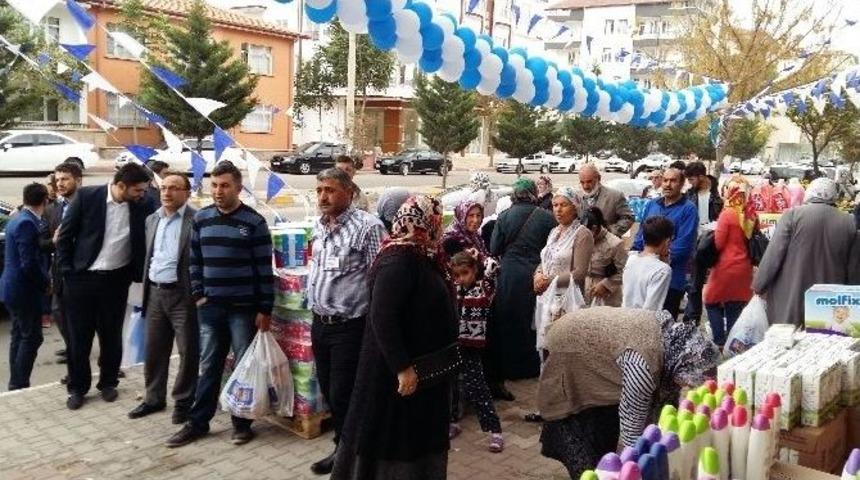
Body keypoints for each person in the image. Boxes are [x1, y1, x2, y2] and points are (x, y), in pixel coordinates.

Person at [331, 195, 457, 480]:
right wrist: (403, 368)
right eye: (438, 220)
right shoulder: (398, 259)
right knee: (395, 441)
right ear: (426, 221)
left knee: (415, 439)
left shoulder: (423, 254)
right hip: (397, 379)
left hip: (423, 373)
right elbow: (382, 317)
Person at [538, 307, 719, 479]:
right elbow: (631, 434)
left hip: (587, 334)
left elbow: (663, 406)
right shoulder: (644, 366)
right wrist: (634, 470)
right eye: (689, 380)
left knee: (604, 429)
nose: (687, 385)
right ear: (683, 365)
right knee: (589, 457)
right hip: (569, 345)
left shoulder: (671, 339)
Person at [166, 161, 273, 447]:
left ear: (239, 188)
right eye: (214, 185)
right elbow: (194, 261)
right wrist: (199, 294)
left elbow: (264, 269)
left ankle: (242, 424)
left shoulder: (254, 222)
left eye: (224, 185)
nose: (218, 191)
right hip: (210, 308)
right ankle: (198, 423)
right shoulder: (202, 219)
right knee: (209, 365)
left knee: (242, 367)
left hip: (243, 309)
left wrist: (265, 309)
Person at [306, 168, 387, 474]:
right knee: (329, 390)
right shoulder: (320, 225)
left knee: (344, 393)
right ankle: (343, 445)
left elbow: (381, 277)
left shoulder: (367, 227)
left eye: (329, 190)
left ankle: (349, 454)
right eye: (318, 190)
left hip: (350, 327)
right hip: (320, 323)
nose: (322, 196)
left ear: (349, 193)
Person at [57, 163, 153, 410]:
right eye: (138, 190)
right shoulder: (88, 197)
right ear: (121, 186)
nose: (142, 194)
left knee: (111, 335)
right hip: (82, 279)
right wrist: (68, 271)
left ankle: (108, 382)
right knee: (79, 338)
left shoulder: (141, 205)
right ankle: (78, 388)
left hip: (116, 281)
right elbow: (65, 236)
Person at [128, 171, 198, 424]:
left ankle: (183, 401)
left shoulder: (196, 220)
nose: (167, 193)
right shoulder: (152, 220)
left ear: (187, 193)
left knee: (188, 351)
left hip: (183, 294)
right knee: (155, 350)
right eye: (164, 188)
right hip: (155, 293)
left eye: (174, 188)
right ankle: (153, 398)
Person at [753, 178, 860, 326]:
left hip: (791, 296)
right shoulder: (849, 222)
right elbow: (854, 270)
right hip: (830, 301)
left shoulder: (792, 216)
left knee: (787, 341)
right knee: (821, 341)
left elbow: (774, 255)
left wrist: (759, 284)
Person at [489, 178, 556, 392]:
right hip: (537, 274)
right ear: (533, 193)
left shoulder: (504, 216)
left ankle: (509, 365)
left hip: (509, 274)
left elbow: (494, 247)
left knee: (508, 317)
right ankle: (530, 366)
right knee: (532, 320)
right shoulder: (546, 218)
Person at [448, 251, 504, 453]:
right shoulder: (453, 289)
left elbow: (493, 267)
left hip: (471, 347)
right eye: (457, 275)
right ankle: (453, 422)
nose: (461, 278)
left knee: (478, 387)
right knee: (452, 386)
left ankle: (495, 431)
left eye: (465, 273)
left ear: (474, 271)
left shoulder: (484, 288)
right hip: (454, 345)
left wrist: (478, 256)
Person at [1, 183, 51, 390]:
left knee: (19, 334)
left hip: (12, 288)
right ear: (45, 201)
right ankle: (19, 384)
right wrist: (45, 283)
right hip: (23, 290)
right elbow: (28, 263)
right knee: (31, 337)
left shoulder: (18, 219)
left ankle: (16, 382)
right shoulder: (26, 223)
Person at [533, 187, 594, 352]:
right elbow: (546, 259)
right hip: (547, 298)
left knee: (562, 349)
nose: (558, 210)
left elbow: (580, 272)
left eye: (563, 205)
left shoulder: (582, 234)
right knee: (545, 346)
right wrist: (538, 274)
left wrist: (549, 280)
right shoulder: (554, 231)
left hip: (567, 300)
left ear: (575, 208)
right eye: (555, 205)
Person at [631, 167, 698, 317]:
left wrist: (654, 259)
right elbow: (641, 234)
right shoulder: (652, 205)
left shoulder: (689, 209)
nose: (668, 184)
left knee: (663, 326)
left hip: (671, 279)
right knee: (639, 320)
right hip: (645, 275)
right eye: (665, 180)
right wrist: (636, 254)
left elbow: (683, 246)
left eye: (673, 181)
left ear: (682, 184)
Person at [704, 178, 755, 347]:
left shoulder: (728, 214)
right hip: (745, 268)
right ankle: (732, 344)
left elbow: (718, 242)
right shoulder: (751, 214)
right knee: (735, 304)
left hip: (726, 267)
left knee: (711, 301)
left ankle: (719, 341)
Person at [42, 162, 83, 368]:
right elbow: (42, 242)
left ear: (78, 180)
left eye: (65, 179)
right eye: (57, 180)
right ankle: (72, 348)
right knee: (58, 312)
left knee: (86, 319)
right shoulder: (52, 210)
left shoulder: (90, 204)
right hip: (60, 271)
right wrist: (53, 241)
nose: (60, 184)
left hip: (84, 272)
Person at [684, 161, 723, 324]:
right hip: (696, 240)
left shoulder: (717, 194)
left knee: (718, 281)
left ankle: (718, 318)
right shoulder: (689, 194)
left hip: (715, 240)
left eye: (692, 179)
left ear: (701, 176)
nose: (690, 183)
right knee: (694, 283)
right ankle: (692, 318)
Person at [623, 216, 673, 311]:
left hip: (625, 316)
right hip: (644, 322)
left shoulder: (631, 258)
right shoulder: (662, 270)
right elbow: (652, 307)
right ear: (667, 241)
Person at [581, 207, 627, 307]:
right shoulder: (581, 240)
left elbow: (624, 271)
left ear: (594, 228)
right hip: (584, 292)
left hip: (606, 296)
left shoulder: (614, 243)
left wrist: (606, 285)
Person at [578, 164, 635, 237]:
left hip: (607, 243)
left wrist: (610, 232)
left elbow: (628, 217)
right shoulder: (577, 196)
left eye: (589, 182)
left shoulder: (615, 196)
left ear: (598, 178)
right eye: (582, 182)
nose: (585, 186)